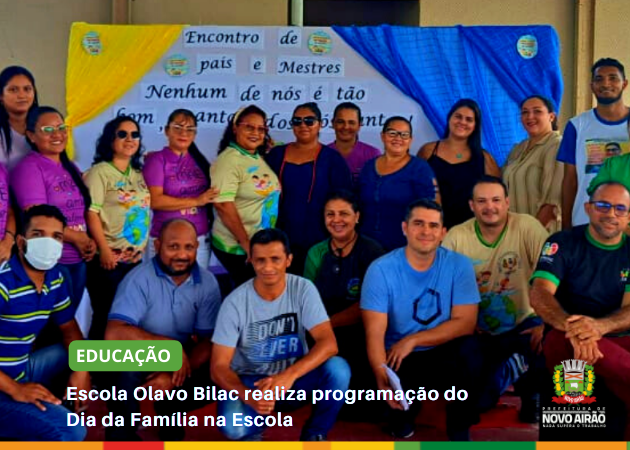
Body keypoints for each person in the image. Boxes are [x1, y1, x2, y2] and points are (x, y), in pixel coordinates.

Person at [211, 228, 350, 441]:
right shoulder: (235, 302)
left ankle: (315, 434)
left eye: (275, 259)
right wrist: (250, 397)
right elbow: (218, 367)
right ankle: (254, 429)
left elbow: (329, 343)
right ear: (250, 260)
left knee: (338, 369)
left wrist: (288, 376)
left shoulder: (303, 288)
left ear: (289, 260)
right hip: (251, 381)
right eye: (260, 260)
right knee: (234, 428)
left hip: (293, 378)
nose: (268, 267)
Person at [361, 199, 482, 440]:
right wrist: (380, 374)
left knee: (471, 351)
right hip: (399, 357)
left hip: (442, 352)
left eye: (433, 226)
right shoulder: (381, 269)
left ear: (442, 233)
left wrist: (415, 339)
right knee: (394, 422)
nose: (426, 231)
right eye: (418, 224)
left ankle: (459, 430)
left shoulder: (459, 265)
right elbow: (374, 332)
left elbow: (465, 323)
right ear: (405, 228)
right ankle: (402, 417)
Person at [441, 176, 549, 422]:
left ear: (507, 202)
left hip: (525, 322)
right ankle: (509, 369)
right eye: (482, 201)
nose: (490, 207)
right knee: (479, 403)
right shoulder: (457, 237)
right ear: (471, 205)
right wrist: (463, 321)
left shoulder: (528, 227)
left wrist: (547, 323)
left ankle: (531, 395)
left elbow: (555, 275)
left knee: (548, 342)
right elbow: (442, 287)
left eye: (496, 200)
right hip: (477, 328)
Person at [105, 218, 222, 441]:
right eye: (173, 246)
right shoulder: (138, 278)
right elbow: (114, 334)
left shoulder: (207, 282)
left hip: (182, 358)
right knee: (115, 363)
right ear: (157, 246)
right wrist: (169, 347)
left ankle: (169, 415)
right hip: (141, 353)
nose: (181, 255)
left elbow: (209, 340)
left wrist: (171, 372)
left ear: (197, 248)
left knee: (222, 366)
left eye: (189, 247)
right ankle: (122, 434)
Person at [530, 181, 630, 423]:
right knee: (556, 342)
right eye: (603, 205)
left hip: (615, 337)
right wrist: (572, 326)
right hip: (566, 336)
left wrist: (598, 328)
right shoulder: (563, 242)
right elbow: (540, 293)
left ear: (628, 216)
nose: (611, 214)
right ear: (587, 207)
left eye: (620, 208)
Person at [0, 205, 90, 441]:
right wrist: (15, 389)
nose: (48, 243)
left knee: (88, 354)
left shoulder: (55, 278)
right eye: (38, 235)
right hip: (5, 385)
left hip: (21, 369)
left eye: (56, 237)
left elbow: (69, 329)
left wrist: (82, 369)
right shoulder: (3, 283)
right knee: (71, 430)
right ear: (21, 242)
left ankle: (57, 409)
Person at [11, 106, 95, 311]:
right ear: (31, 135)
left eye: (61, 127)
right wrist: (78, 238)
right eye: (47, 130)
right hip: (50, 262)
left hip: (78, 259)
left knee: (68, 321)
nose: (57, 134)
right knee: (52, 326)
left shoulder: (71, 167)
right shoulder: (30, 168)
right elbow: (37, 219)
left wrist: (88, 241)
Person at [304, 190, 385, 398]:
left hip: (362, 330)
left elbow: (372, 305)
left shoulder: (372, 252)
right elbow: (307, 299)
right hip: (322, 329)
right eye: (330, 214)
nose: (336, 220)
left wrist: (329, 323)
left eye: (344, 214)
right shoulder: (316, 252)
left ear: (357, 217)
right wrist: (322, 327)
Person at [84, 115, 151, 340]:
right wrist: (103, 249)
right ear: (110, 140)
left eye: (134, 134)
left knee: (126, 319)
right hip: (108, 261)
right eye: (122, 134)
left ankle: (115, 369)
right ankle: (90, 372)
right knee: (105, 316)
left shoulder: (138, 174)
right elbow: (91, 212)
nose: (129, 139)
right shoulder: (99, 172)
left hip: (133, 261)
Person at [266, 102, 352, 274]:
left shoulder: (332, 159)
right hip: (280, 235)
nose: (303, 125)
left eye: (309, 121)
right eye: (297, 121)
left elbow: (344, 200)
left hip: (318, 237)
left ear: (320, 124)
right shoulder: (277, 154)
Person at [212, 105, 281, 287]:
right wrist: (246, 244)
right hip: (238, 248)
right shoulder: (229, 160)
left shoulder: (254, 156)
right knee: (246, 295)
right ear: (235, 128)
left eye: (261, 129)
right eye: (249, 127)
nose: (255, 133)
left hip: (256, 244)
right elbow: (223, 205)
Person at [558, 58, 630, 229]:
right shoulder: (577, 125)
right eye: (599, 79)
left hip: (623, 227)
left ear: (625, 84)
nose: (606, 83)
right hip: (584, 223)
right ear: (591, 86)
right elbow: (570, 180)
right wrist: (566, 226)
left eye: (613, 78)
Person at [143, 109, 218, 270]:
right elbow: (154, 200)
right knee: (162, 290)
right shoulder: (157, 160)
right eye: (178, 127)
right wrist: (196, 201)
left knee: (196, 290)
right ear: (166, 130)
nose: (184, 133)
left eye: (190, 129)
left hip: (199, 239)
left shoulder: (199, 160)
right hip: (167, 241)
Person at [418, 98, 501, 230]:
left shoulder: (484, 158)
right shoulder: (428, 151)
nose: (462, 122)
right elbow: (416, 188)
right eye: (458, 117)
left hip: (472, 232)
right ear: (449, 118)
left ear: (475, 126)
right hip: (433, 229)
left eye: (469, 119)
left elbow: (497, 197)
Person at [359, 116, 438, 251]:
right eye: (392, 133)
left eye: (404, 135)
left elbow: (431, 209)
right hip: (367, 245)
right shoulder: (368, 167)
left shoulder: (420, 168)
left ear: (411, 140)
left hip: (404, 247)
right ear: (383, 136)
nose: (398, 138)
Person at [503, 95, 564, 233]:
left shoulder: (556, 145)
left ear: (551, 116)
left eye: (537, 111)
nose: (530, 116)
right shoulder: (518, 149)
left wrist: (529, 237)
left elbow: (551, 205)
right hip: (514, 233)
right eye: (525, 112)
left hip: (542, 235)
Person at [327, 102, 380, 184]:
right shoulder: (322, 154)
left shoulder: (372, 154)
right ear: (333, 123)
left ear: (359, 125)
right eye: (341, 122)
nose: (346, 127)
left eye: (351, 122)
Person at [0, 66, 38, 170]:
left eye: (27, 89)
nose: (22, 95)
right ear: (1, 96)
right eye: (13, 90)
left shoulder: (45, 126)